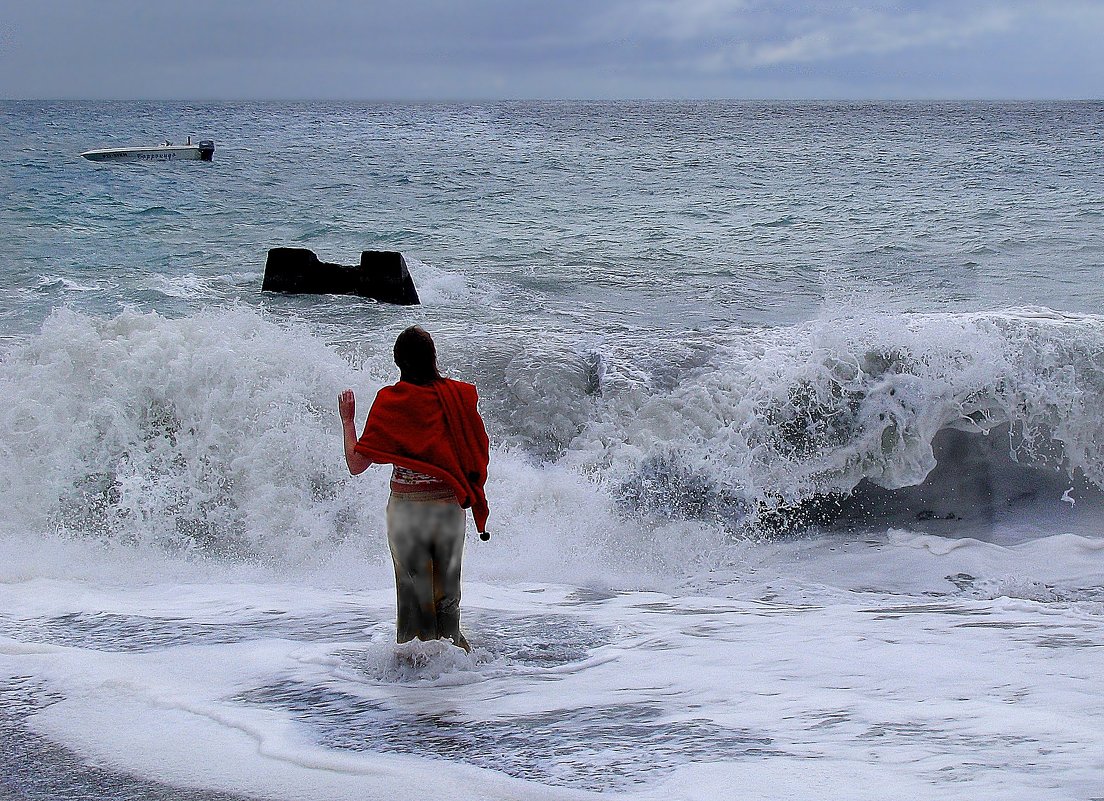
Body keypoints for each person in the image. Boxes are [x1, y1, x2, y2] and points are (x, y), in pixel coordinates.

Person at [339, 326, 490, 652]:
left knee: (413, 601)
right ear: (433, 358)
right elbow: (476, 450)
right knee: (447, 600)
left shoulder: (390, 401)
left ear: (399, 363)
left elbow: (356, 464)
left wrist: (348, 420)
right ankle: (452, 675)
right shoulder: (457, 398)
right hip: (448, 510)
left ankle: (412, 680)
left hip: (407, 511)